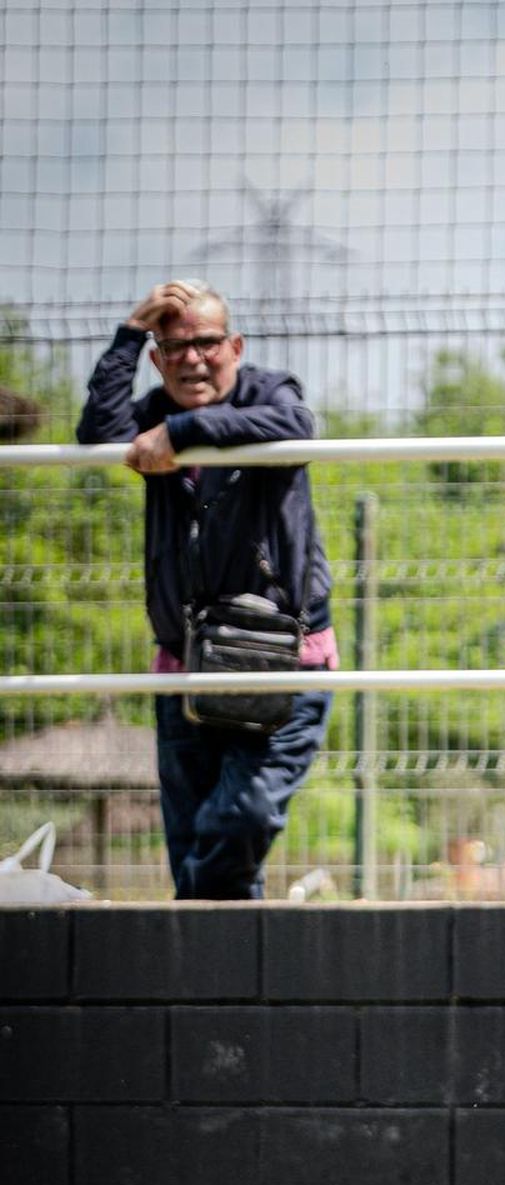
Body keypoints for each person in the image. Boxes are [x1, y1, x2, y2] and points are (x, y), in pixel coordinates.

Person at [77, 279, 336, 899]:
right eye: (173, 347)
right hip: (185, 663)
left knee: (241, 818)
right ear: (157, 359)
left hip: (280, 662)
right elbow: (97, 431)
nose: (193, 358)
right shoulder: (153, 413)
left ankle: (195, 937)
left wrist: (185, 432)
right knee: (197, 840)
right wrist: (129, 332)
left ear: (236, 346)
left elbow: (297, 425)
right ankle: (222, 975)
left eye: (207, 343)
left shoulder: (269, 393)